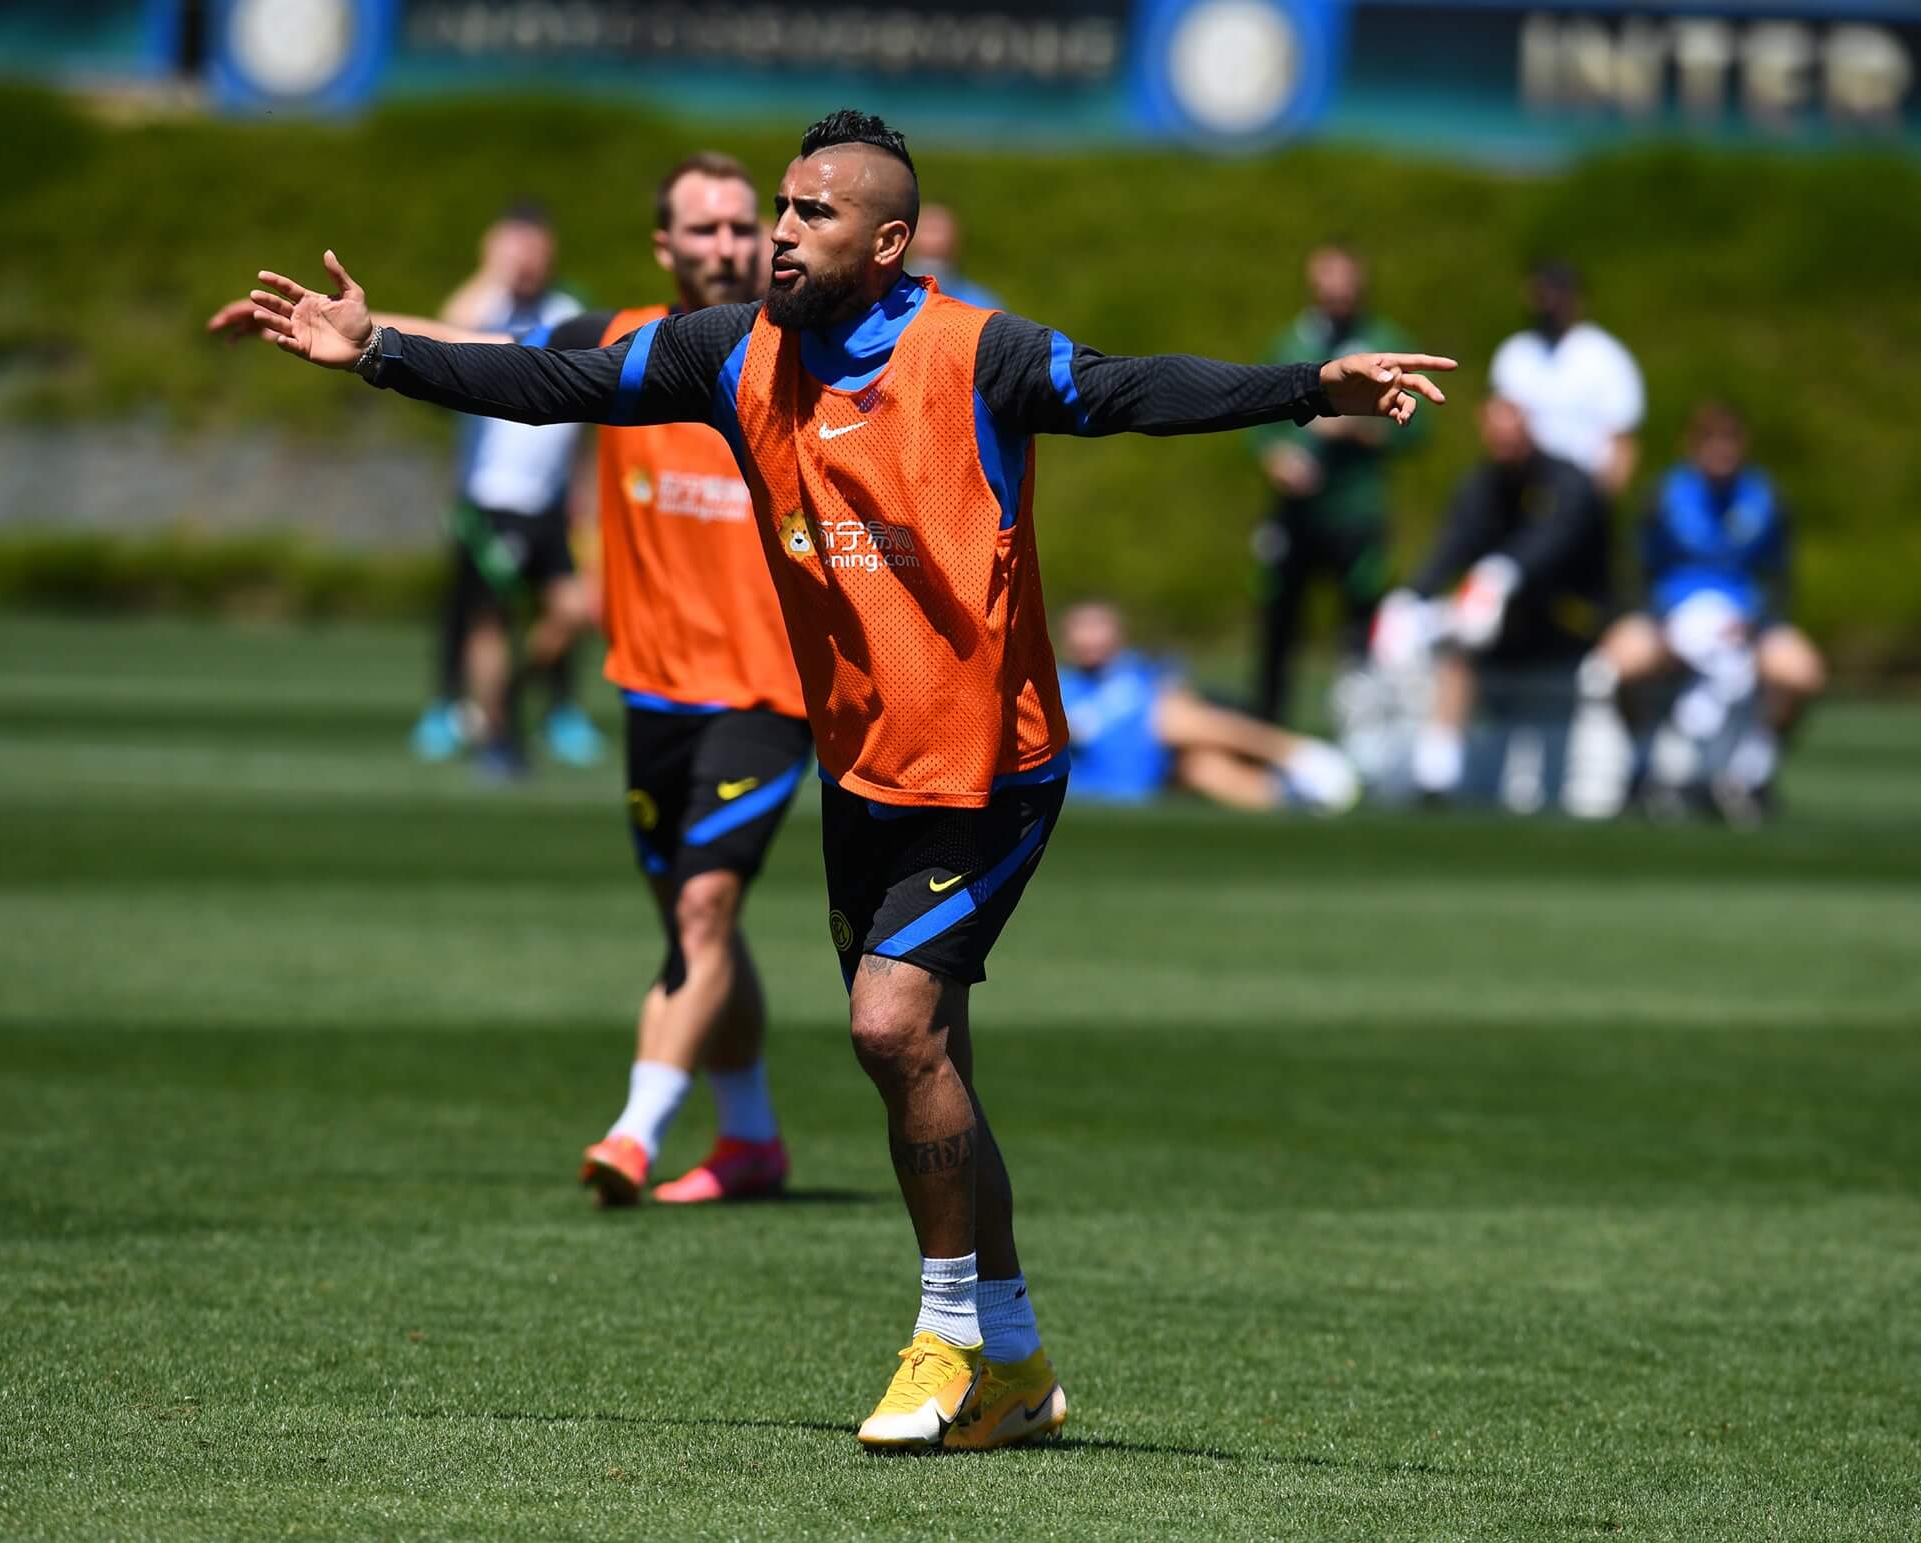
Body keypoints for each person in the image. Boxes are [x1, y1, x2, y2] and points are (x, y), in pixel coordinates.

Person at [231, 108, 1451, 1452]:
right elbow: (554, 381)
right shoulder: (731, 352)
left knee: (888, 1026)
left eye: (812, 213)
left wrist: (1307, 386)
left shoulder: (974, 352)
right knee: (930, 1059)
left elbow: (1126, 387)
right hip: (863, 766)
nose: (779, 231)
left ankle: (941, 1336)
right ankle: (1020, 1363)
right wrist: (382, 354)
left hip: (991, 768)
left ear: (890, 241)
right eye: (779, 207)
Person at [212, 155, 810, 1205]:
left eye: (738, 227)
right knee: (695, 919)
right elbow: (493, 355)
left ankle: (634, 1131)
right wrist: (364, 336)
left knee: (706, 909)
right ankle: (752, 1136)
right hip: (654, 690)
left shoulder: (807, 351)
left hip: (771, 691)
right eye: (701, 230)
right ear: (663, 248)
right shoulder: (625, 344)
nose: (726, 245)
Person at [420, 203, 602, 774]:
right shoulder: (486, 306)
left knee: (573, 612)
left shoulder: (566, 310)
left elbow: (588, 416)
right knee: (488, 620)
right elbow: (448, 320)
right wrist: (493, 270)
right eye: (514, 247)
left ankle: (503, 702)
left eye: (533, 247)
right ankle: (493, 736)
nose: (525, 260)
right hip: (491, 502)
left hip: (550, 507)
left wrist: (586, 497)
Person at [1581, 401, 1824, 824]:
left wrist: (1758, 623)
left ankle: (1754, 770)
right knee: (1621, 661)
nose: (1721, 452)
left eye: (1729, 441)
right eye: (1711, 441)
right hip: (1671, 614)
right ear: (1693, 446)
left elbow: (1781, 576)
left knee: (1803, 671)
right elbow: (1634, 568)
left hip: (1742, 619)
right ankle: (1640, 766)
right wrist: (1660, 623)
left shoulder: (1765, 498)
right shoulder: (1665, 495)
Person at [1373, 397, 1609, 802]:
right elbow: (1451, 548)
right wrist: (1410, 598)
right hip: (1504, 627)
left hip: (1571, 617)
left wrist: (1502, 574)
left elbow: (1557, 542)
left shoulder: (1569, 483)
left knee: (1475, 615)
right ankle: (1437, 775)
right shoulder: (1480, 487)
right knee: (1458, 636)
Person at [1250, 242, 1427, 725]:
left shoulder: (1383, 340)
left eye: (1344, 284)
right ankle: (1269, 727)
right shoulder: (1292, 341)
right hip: (1296, 511)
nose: (1336, 295)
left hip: (1354, 511)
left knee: (1360, 623)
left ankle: (1361, 727)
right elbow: (1257, 415)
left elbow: (1419, 425)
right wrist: (1276, 457)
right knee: (1279, 622)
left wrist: (1358, 427)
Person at [1056, 601, 1359, 813]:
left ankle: (1294, 784)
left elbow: (1180, 690)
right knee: (1170, 718)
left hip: (1159, 756)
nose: (1089, 639)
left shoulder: (1137, 670)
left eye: (1097, 627)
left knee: (1198, 757)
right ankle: (1295, 757)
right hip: (1107, 776)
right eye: (1081, 629)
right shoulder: (1061, 685)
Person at [1489, 259, 1644, 499]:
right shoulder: (1515, 353)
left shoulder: (1604, 355)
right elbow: (1499, 426)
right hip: (1527, 485)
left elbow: (1623, 441)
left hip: (1585, 486)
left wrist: (1602, 502)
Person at [905, 202, 1003, 311]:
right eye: (928, 230)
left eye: (939, 231)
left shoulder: (982, 303)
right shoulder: (889, 296)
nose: (933, 242)